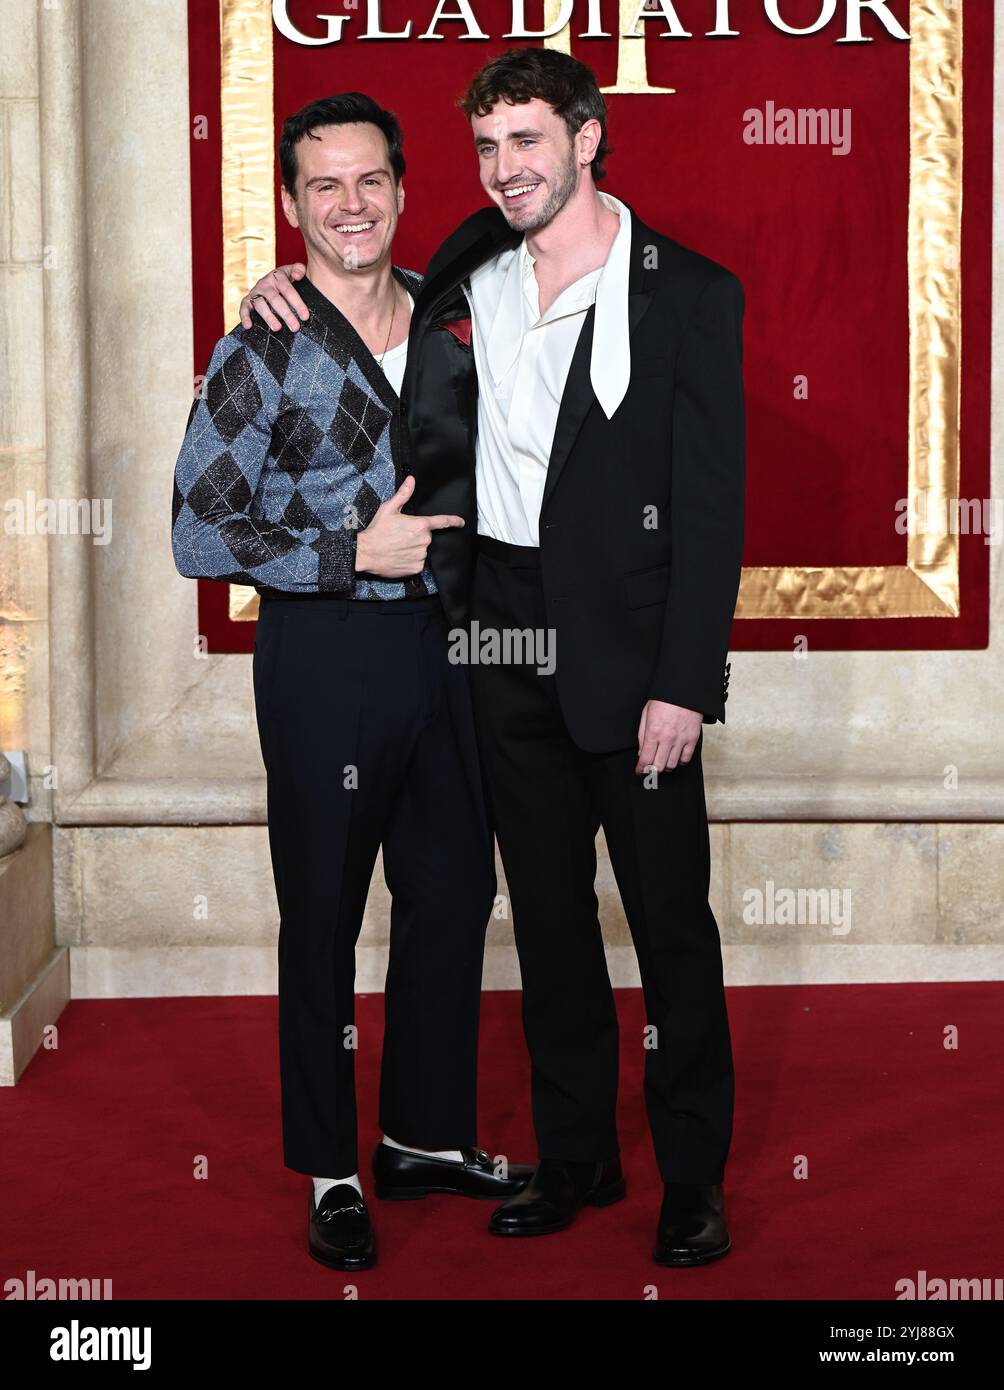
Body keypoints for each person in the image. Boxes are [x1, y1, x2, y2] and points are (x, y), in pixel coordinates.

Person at [240, 48, 746, 1267]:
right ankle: (573, 1157)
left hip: (630, 645)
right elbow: (360, 274)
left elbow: (712, 504)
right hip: (495, 628)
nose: (507, 167)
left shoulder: (685, 292)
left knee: (668, 920)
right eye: (487, 147)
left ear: (586, 138)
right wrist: (282, 284)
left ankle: (692, 1179)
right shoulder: (472, 260)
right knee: (551, 921)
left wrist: (683, 681)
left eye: (528, 141)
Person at [172, 92, 531, 1274]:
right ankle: (330, 1166)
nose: (348, 204)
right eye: (322, 185)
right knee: (322, 912)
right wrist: (344, 554)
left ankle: (421, 1134)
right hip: (325, 654)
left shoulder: (452, 313)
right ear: (290, 203)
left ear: (402, 188)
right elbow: (195, 532)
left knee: (447, 891)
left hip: (449, 648)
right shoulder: (261, 342)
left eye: (368, 179)